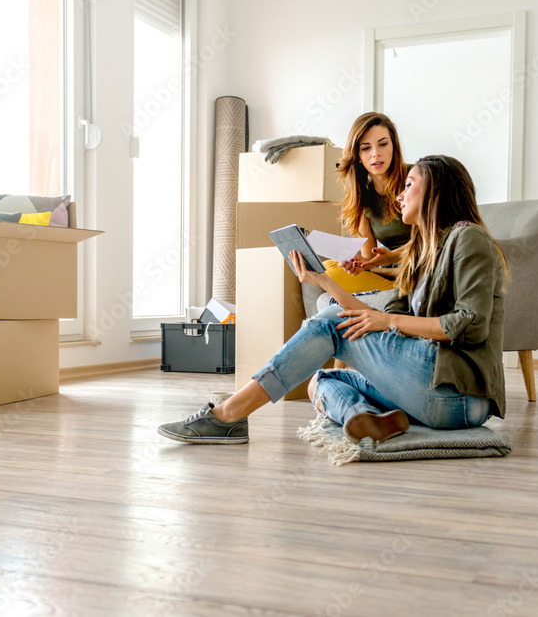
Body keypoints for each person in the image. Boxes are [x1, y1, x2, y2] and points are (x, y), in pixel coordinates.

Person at [158, 155, 508, 445]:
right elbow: (371, 318)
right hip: (429, 391)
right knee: (322, 380)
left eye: (408, 185)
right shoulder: (422, 253)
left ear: (435, 190)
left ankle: (228, 415)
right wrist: (322, 280)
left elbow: (470, 325)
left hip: (460, 396)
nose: (399, 196)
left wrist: (389, 321)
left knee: (329, 323)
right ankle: (365, 418)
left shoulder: (469, 238)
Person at [326, 112, 412, 294]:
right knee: (329, 268)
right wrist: (357, 264)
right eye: (366, 148)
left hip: (424, 266)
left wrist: (390, 257)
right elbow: (370, 258)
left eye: (383, 144)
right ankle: (396, 292)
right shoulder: (362, 196)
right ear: (357, 155)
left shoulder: (416, 178)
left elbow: (435, 238)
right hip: (392, 273)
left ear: (394, 147)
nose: (375, 153)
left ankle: (404, 292)